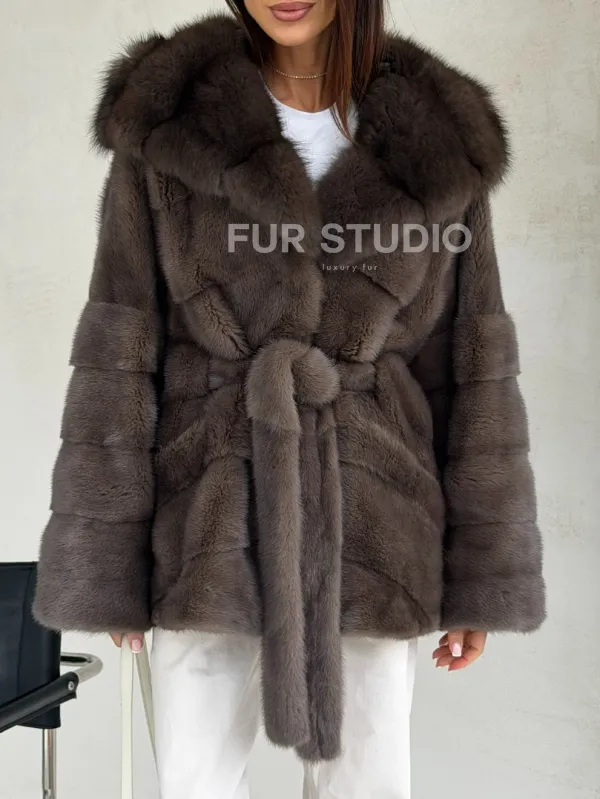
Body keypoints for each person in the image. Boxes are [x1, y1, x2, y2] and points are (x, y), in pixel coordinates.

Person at [32, 1, 547, 797]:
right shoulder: (173, 121)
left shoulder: (439, 138)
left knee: (368, 786)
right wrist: (108, 567)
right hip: (206, 513)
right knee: (196, 784)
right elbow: (120, 345)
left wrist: (484, 574)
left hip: (375, 520)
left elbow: (472, 362)